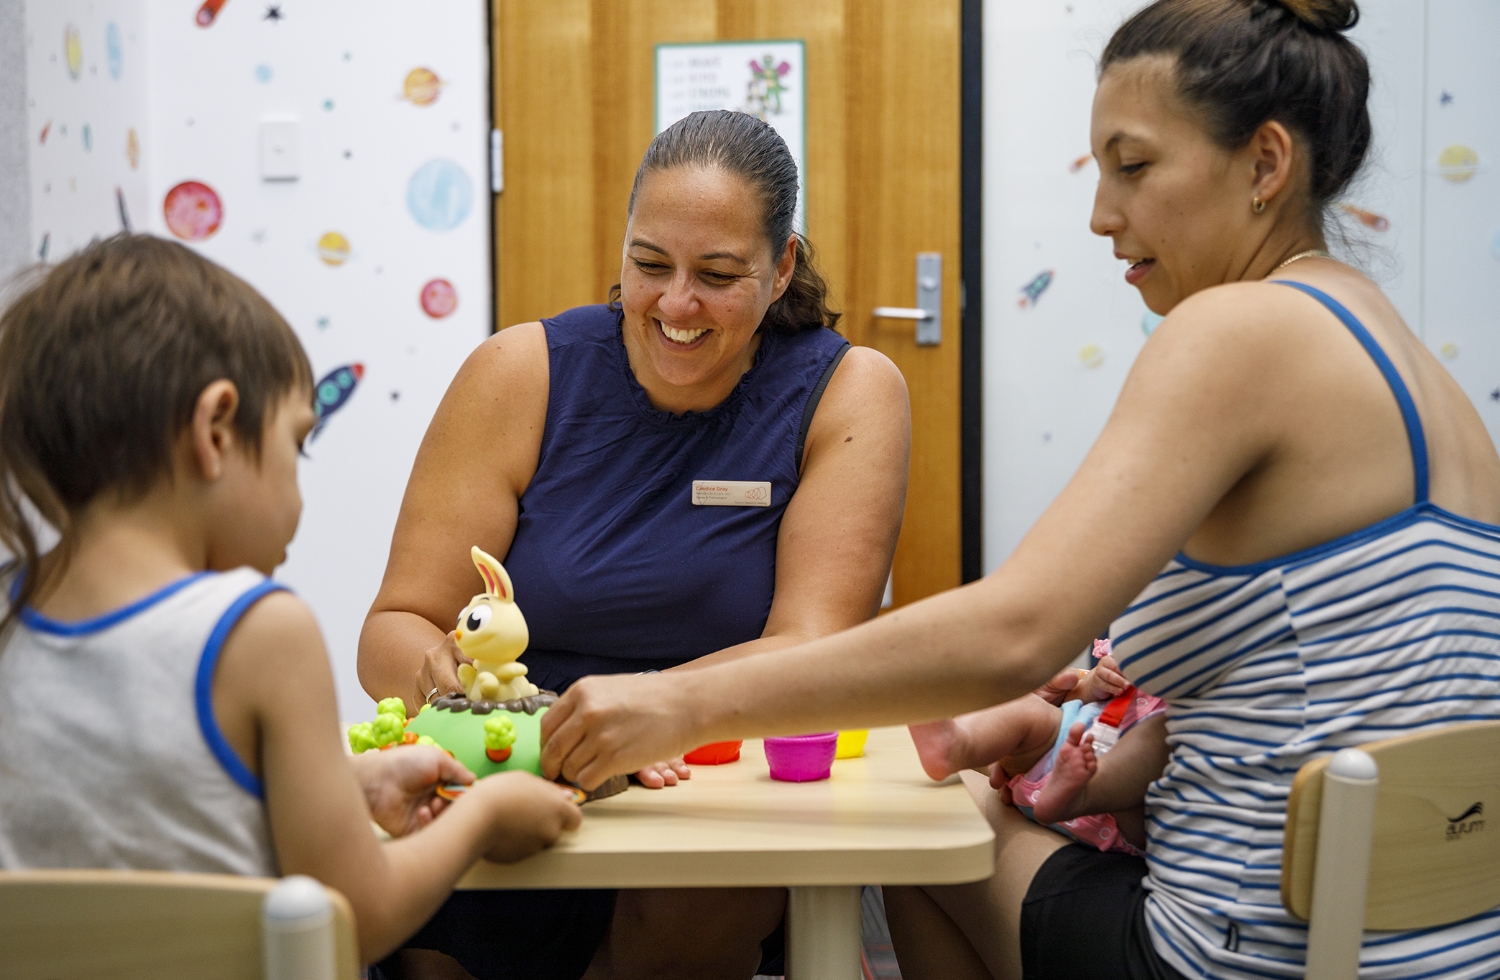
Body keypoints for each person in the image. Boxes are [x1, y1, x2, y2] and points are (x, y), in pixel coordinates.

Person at [536, 1, 1500, 977]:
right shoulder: (1419, 373)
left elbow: (1011, 631)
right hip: (1440, 947)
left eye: (1134, 166)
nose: (1101, 215)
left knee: (926, 823)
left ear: (1264, 163)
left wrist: (677, 702)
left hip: (1252, 953)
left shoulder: (1242, 330)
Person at [358, 109, 909, 980]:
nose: (676, 304)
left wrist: (645, 715)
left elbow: (813, 649)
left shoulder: (847, 393)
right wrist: (458, 687)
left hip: (710, 786)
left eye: (719, 274)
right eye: (650, 265)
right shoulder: (519, 373)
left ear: (782, 267)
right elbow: (396, 623)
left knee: (697, 905)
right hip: (506, 779)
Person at [0, 235, 582, 967]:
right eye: (295, 445)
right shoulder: (258, 632)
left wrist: (342, 785)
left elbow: (127, 803)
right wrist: (486, 818)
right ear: (216, 431)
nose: (298, 492)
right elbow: (355, 919)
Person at [911, 644, 1168, 854]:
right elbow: (1080, 693)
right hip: (1060, 755)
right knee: (1024, 709)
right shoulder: (1133, 647)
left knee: (1161, 738)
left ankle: (1081, 793)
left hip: (1120, 812)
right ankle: (955, 744)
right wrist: (1095, 684)